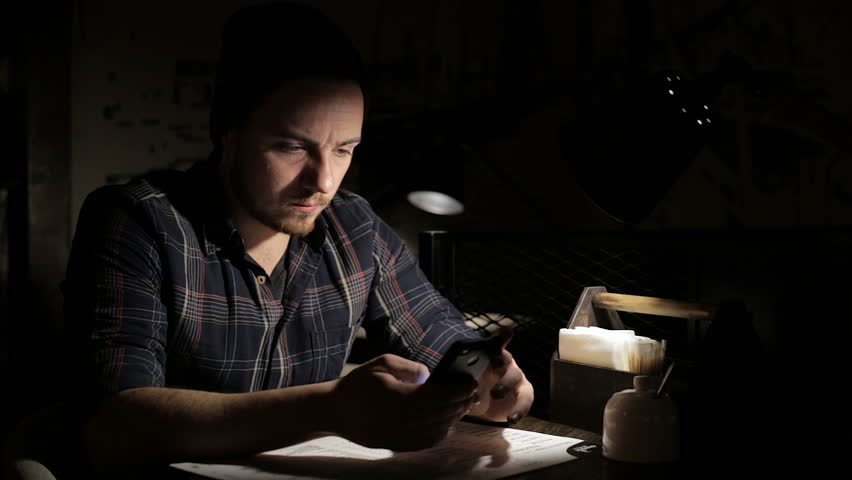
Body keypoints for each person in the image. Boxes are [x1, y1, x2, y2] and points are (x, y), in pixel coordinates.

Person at [62, 2, 533, 474]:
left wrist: (492, 384)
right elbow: (116, 420)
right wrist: (331, 408)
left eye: (344, 149)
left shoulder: (353, 226)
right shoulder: (138, 222)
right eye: (292, 147)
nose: (324, 182)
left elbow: (436, 333)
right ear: (228, 133)